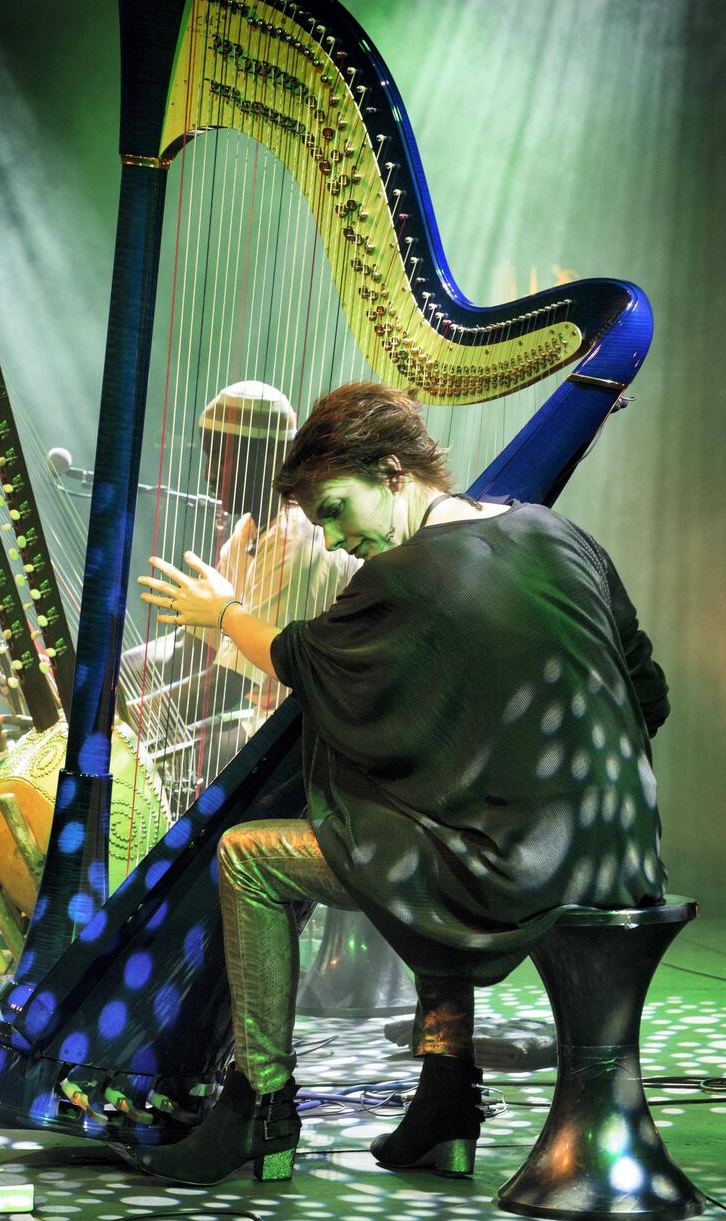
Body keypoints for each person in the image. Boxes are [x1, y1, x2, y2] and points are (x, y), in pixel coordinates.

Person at [134, 381, 669, 1187]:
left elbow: (297, 660)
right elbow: (649, 693)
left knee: (249, 855)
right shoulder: (562, 534)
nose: (341, 542)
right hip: (629, 849)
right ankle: (445, 1095)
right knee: (420, 803)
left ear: (391, 471)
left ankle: (259, 1106)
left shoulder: (404, 577)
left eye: (337, 511)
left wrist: (220, 613)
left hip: (520, 872)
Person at [125, 381, 358, 760]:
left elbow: (229, 684)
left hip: (303, 735)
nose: (207, 475)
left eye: (218, 457)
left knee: (170, 766)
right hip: (252, 712)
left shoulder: (298, 539)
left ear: (265, 458)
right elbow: (196, 648)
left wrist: (128, 717)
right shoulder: (247, 532)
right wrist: (113, 681)